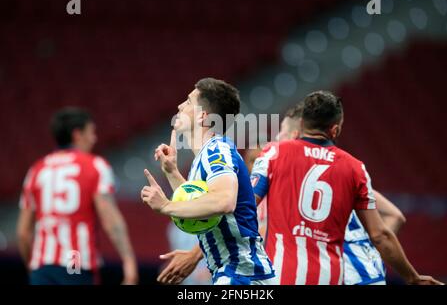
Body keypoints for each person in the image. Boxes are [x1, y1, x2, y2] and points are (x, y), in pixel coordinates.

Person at [250, 91, 442, 285]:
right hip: (332, 276)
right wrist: (412, 277)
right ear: (335, 130)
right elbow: (380, 234)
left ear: (300, 125)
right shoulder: (354, 168)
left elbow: (246, 207)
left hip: (284, 273)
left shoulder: (274, 153)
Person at [140, 77, 275, 285]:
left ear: (203, 116)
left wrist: (166, 205)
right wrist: (171, 171)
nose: (179, 106)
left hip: (242, 275)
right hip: (234, 273)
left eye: (188, 101)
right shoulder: (206, 155)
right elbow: (199, 217)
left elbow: (223, 202)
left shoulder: (217, 151)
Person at [268, 102, 406, 285]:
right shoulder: (347, 172)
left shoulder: (286, 173)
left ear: (295, 134)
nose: (277, 137)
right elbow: (396, 216)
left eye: (282, 132)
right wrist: (365, 250)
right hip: (367, 272)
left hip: (343, 275)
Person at [17, 107, 138, 285]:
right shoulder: (95, 166)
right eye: (91, 132)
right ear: (77, 134)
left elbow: (22, 233)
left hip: (42, 266)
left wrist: (34, 267)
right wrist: (129, 262)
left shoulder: (36, 170)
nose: (94, 138)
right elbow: (111, 221)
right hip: (76, 263)